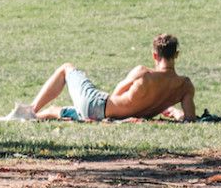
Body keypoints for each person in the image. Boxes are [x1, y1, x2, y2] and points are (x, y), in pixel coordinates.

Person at [24, 34, 196, 122]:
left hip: (99, 107)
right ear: (177, 54)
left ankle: (29, 111)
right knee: (55, 110)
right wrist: (173, 111)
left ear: (154, 56)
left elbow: (114, 96)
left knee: (66, 68)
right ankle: (28, 117)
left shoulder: (143, 73)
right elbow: (190, 119)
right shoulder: (185, 86)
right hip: (105, 115)